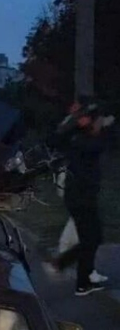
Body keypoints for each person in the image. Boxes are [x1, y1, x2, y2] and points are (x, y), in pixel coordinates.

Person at [51, 97, 115, 296]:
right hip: (80, 197)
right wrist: (76, 119)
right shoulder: (80, 139)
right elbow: (99, 142)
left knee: (93, 238)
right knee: (91, 239)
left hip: (82, 196)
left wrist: (80, 120)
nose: (98, 122)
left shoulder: (79, 136)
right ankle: (72, 273)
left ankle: (82, 277)